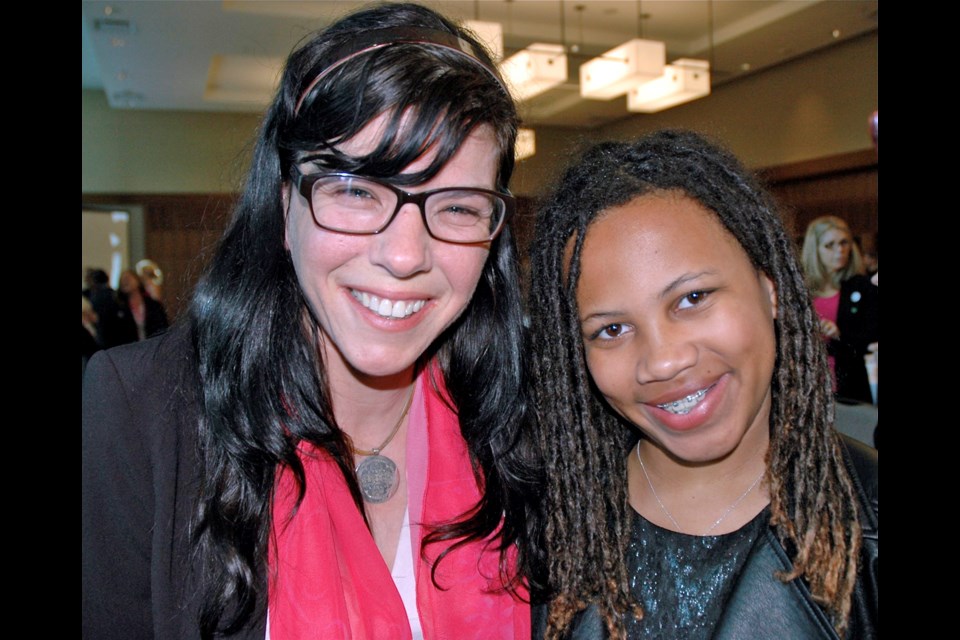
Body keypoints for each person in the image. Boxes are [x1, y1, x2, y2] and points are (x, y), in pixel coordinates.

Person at [82, 4, 535, 638]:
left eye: (457, 206)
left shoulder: (524, 426)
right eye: (356, 189)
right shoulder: (139, 416)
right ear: (285, 203)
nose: (404, 255)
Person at [527, 131, 877, 639]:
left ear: (770, 287)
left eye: (692, 298)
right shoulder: (545, 534)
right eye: (612, 329)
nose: (664, 361)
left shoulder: (868, 522)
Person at [801, 216, 878, 403]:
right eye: (830, 245)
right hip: (807, 386)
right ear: (815, 250)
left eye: (844, 243)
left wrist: (838, 335)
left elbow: (869, 338)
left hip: (849, 387)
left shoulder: (862, 286)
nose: (840, 251)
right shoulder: (800, 290)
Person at [118, 268, 169, 340]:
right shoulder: (120, 309)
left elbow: (163, 326)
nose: (125, 282)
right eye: (122, 280)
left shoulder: (153, 304)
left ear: (137, 280)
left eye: (128, 278)